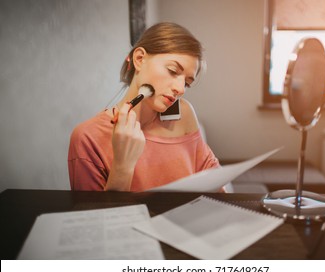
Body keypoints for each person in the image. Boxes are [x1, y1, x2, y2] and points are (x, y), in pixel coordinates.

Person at [68, 22, 221, 192]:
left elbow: (214, 179)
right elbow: (96, 217)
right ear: (139, 59)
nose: (180, 89)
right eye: (172, 70)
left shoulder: (183, 114)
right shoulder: (87, 138)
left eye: (187, 83)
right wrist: (123, 166)